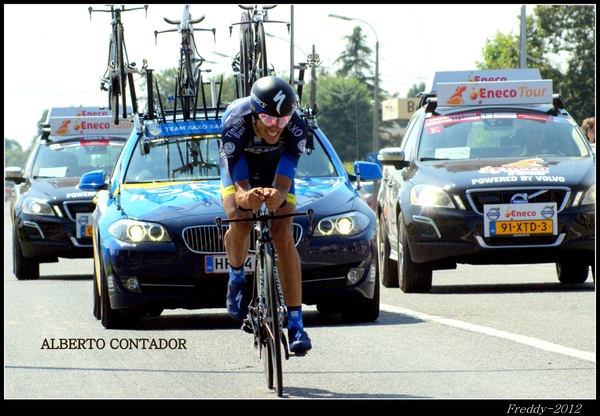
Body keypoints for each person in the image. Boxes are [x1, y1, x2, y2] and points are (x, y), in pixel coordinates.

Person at [219, 76, 312, 353]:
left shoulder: (296, 127)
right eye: (269, 121)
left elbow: (284, 184)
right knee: (241, 218)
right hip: (241, 167)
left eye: (281, 121)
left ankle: (296, 323)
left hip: (274, 168)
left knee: (283, 232)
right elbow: (240, 190)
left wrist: (278, 196)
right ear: (255, 114)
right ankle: (236, 277)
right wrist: (249, 198)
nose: (276, 128)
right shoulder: (235, 124)